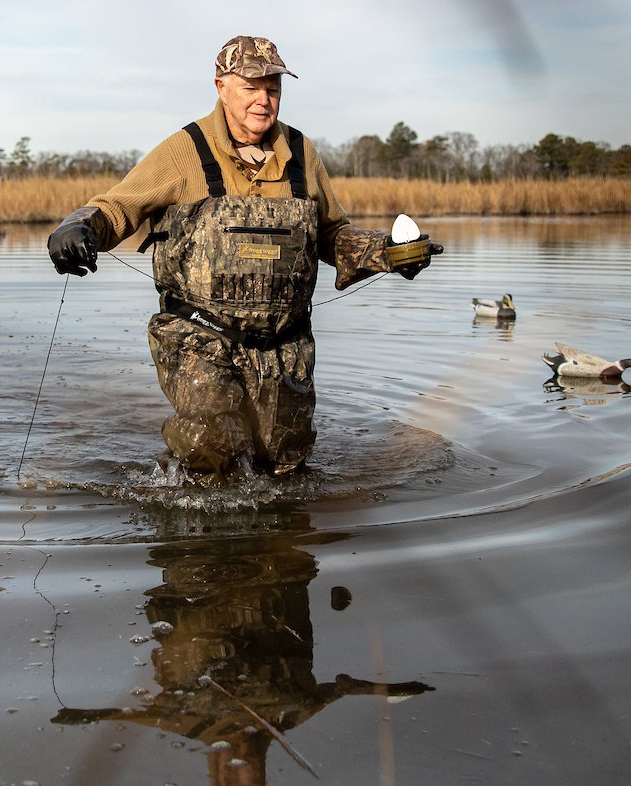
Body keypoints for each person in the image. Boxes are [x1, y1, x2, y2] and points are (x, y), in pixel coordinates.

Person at [45, 35, 437, 475]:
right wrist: (78, 227)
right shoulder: (184, 151)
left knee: (285, 467)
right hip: (199, 340)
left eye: (273, 88)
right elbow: (118, 205)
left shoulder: (302, 154)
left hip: (286, 345)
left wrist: (387, 253)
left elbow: (330, 234)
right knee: (208, 450)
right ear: (221, 86)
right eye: (251, 87)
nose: (263, 100)